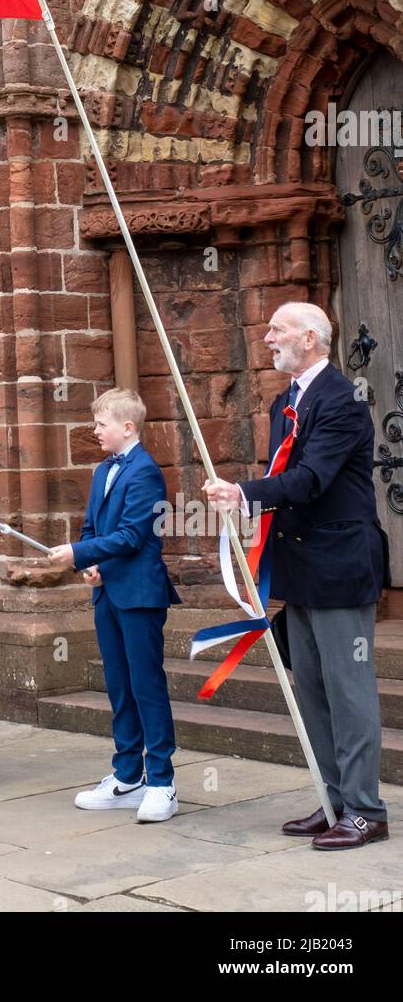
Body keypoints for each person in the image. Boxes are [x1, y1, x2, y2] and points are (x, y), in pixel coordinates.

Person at [204, 302, 388, 850]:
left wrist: (245, 493)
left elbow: (310, 480)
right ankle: (335, 801)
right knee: (311, 689)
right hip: (300, 568)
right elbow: (283, 479)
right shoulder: (286, 401)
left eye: (277, 330)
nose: (267, 338)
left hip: (339, 567)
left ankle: (365, 810)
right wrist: (246, 508)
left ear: (310, 338)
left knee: (348, 692)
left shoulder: (343, 401)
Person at [49, 388, 179, 823]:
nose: (95, 430)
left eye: (101, 423)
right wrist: (91, 562)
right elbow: (92, 529)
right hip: (108, 591)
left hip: (140, 594)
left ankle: (162, 782)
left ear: (127, 427)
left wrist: (78, 554)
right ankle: (128, 777)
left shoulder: (145, 472)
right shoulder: (103, 470)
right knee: (120, 686)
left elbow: (132, 536)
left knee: (146, 686)